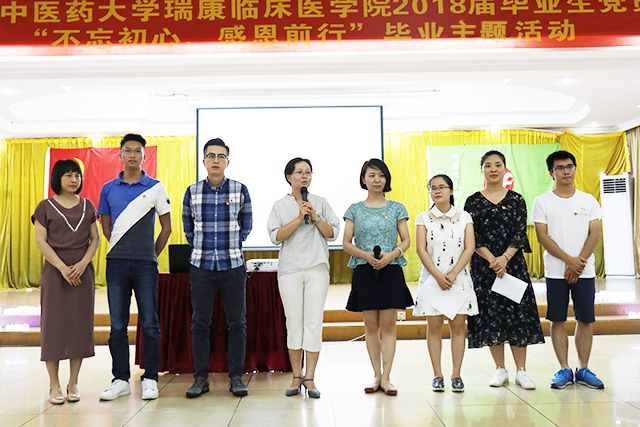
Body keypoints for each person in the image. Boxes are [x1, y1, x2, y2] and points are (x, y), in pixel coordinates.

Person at [98, 134, 172, 401]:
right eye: (127, 150)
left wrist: (150, 254)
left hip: (145, 266)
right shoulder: (108, 188)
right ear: (120, 154)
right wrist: (122, 249)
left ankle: (150, 378)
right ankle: (120, 380)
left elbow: (166, 228)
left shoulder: (156, 187)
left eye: (137, 151)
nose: (132, 155)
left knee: (150, 322)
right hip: (116, 264)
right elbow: (106, 227)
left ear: (144, 155)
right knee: (117, 325)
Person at [463, 150, 544, 390]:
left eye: (498, 165)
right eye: (488, 165)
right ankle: (500, 369)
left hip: (513, 266)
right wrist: (493, 260)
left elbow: (520, 232)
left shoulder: (517, 199)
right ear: (482, 170)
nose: (493, 169)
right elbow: (473, 236)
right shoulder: (472, 201)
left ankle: (521, 371)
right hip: (485, 267)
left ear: (504, 169)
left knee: (518, 315)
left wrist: (505, 258)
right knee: (492, 317)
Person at [183, 138, 253, 399]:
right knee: (200, 323)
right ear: (204, 161)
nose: (215, 160)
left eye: (220, 156)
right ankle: (200, 378)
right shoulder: (192, 191)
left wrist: (231, 244)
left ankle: (236, 377)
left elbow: (246, 225)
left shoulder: (240, 189)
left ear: (227, 162)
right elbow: (188, 227)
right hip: (201, 266)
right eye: (211, 156)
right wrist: (202, 248)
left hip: (232, 265)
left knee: (237, 323)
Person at [267, 158, 340, 399]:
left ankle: (310, 377)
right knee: (294, 321)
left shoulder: (320, 201)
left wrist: (315, 217)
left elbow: (332, 233)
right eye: (299, 172)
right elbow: (275, 237)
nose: (304, 176)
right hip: (290, 269)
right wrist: (299, 218)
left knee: (313, 322)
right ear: (289, 177)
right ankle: (296, 376)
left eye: (308, 172)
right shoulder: (280, 205)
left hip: (317, 267)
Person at [532, 150, 604, 389]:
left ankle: (584, 369)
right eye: (560, 168)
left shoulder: (588, 200)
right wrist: (568, 261)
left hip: (584, 270)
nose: (566, 171)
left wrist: (578, 262)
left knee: (585, 319)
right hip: (556, 272)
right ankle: (564, 368)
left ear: (574, 169)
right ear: (551, 173)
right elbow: (542, 236)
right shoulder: (542, 201)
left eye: (569, 166)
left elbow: (594, 233)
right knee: (558, 319)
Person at [343, 158, 413, 396]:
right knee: (370, 325)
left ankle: (387, 377)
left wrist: (391, 255)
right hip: (364, 270)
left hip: (390, 269)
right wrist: (366, 255)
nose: (377, 180)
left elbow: (406, 241)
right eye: (371, 175)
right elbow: (346, 243)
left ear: (386, 179)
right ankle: (376, 375)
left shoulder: (396, 208)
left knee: (389, 325)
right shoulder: (354, 209)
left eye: (381, 175)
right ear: (363, 180)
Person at [32, 159, 100, 404]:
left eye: (77, 175)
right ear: (58, 179)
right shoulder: (45, 207)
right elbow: (41, 241)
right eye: (68, 175)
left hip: (82, 273)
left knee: (79, 326)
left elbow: (95, 239)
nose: (74, 180)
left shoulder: (88, 206)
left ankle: (73, 382)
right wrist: (62, 268)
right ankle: (54, 384)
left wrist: (82, 264)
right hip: (55, 273)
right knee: (54, 326)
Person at [414, 174, 478, 393]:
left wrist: (452, 274)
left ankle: (456, 375)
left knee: (458, 327)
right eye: (433, 188)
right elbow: (421, 249)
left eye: (442, 187)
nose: (437, 191)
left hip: (458, 280)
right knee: (434, 327)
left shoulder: (464, 217)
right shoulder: (423, 217)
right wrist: (438, 276)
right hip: (432, 280)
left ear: (451, 191)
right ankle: (437, 375)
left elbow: (469, 248)